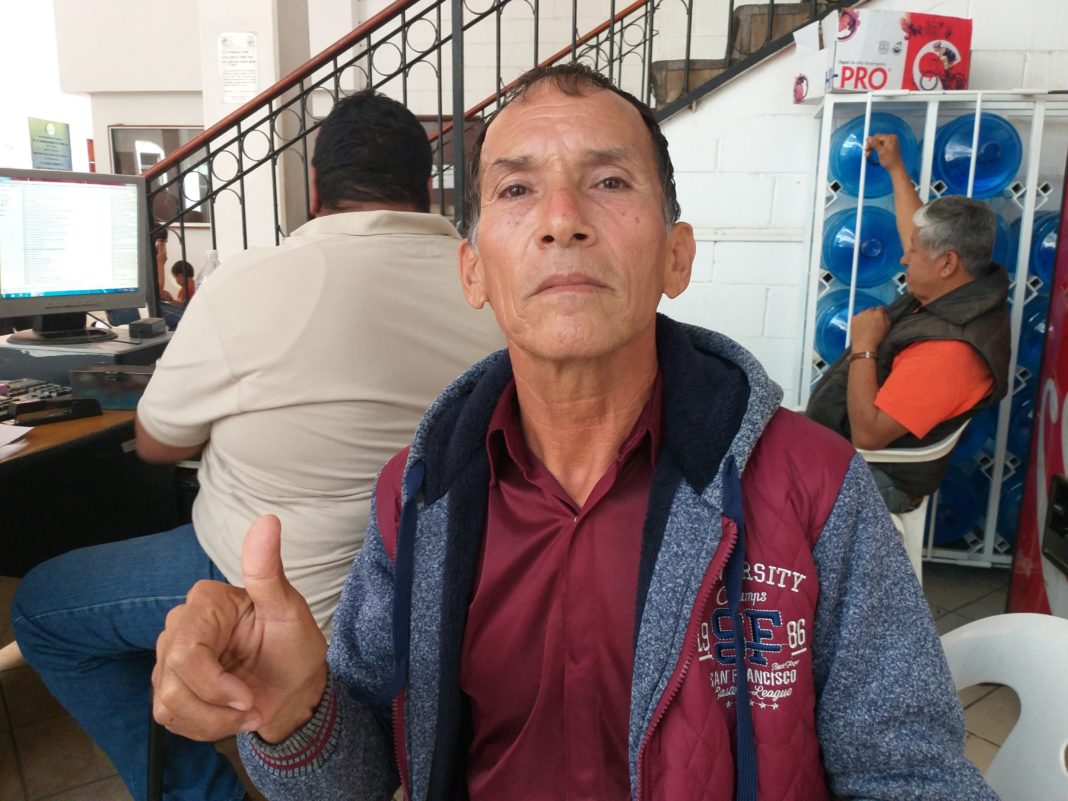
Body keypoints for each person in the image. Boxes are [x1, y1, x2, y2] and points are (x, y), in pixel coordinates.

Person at [151, 66, 996, 801]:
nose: (562, 218)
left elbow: (913, 774)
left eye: (610, 182)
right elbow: (356, 781)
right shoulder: (416, 497)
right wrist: (296, 712)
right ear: (473, 271)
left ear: (675, 256)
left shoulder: (814, 486)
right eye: (517, 190)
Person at [11, 90, 504, 801]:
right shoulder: (491, 285)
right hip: (438, 598)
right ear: (425, 189)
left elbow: (155, 441)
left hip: (271, 590)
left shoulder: (247, 281)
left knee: (41, 608)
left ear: (314, 190)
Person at [807, 133, 1010, 512]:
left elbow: (868, 435)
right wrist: (896, 169)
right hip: (841, 446)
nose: (903, 259)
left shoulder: (952, 351)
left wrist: (864, 347)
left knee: (761, 490)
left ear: (947, 263)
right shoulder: (961, 289)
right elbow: (915, 232)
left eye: (912, 253)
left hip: (878, 476)